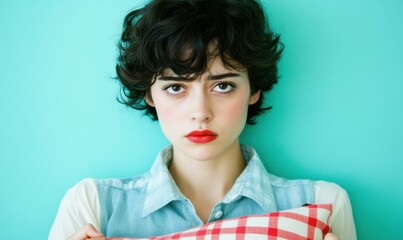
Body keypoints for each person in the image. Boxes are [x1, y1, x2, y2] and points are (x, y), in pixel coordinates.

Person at [49, 0, 356, 239]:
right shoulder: (92, 206)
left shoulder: (321, 203)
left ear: (254, 89)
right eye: (175, 87)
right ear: (150, 94)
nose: (201, 111)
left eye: (223, 85)